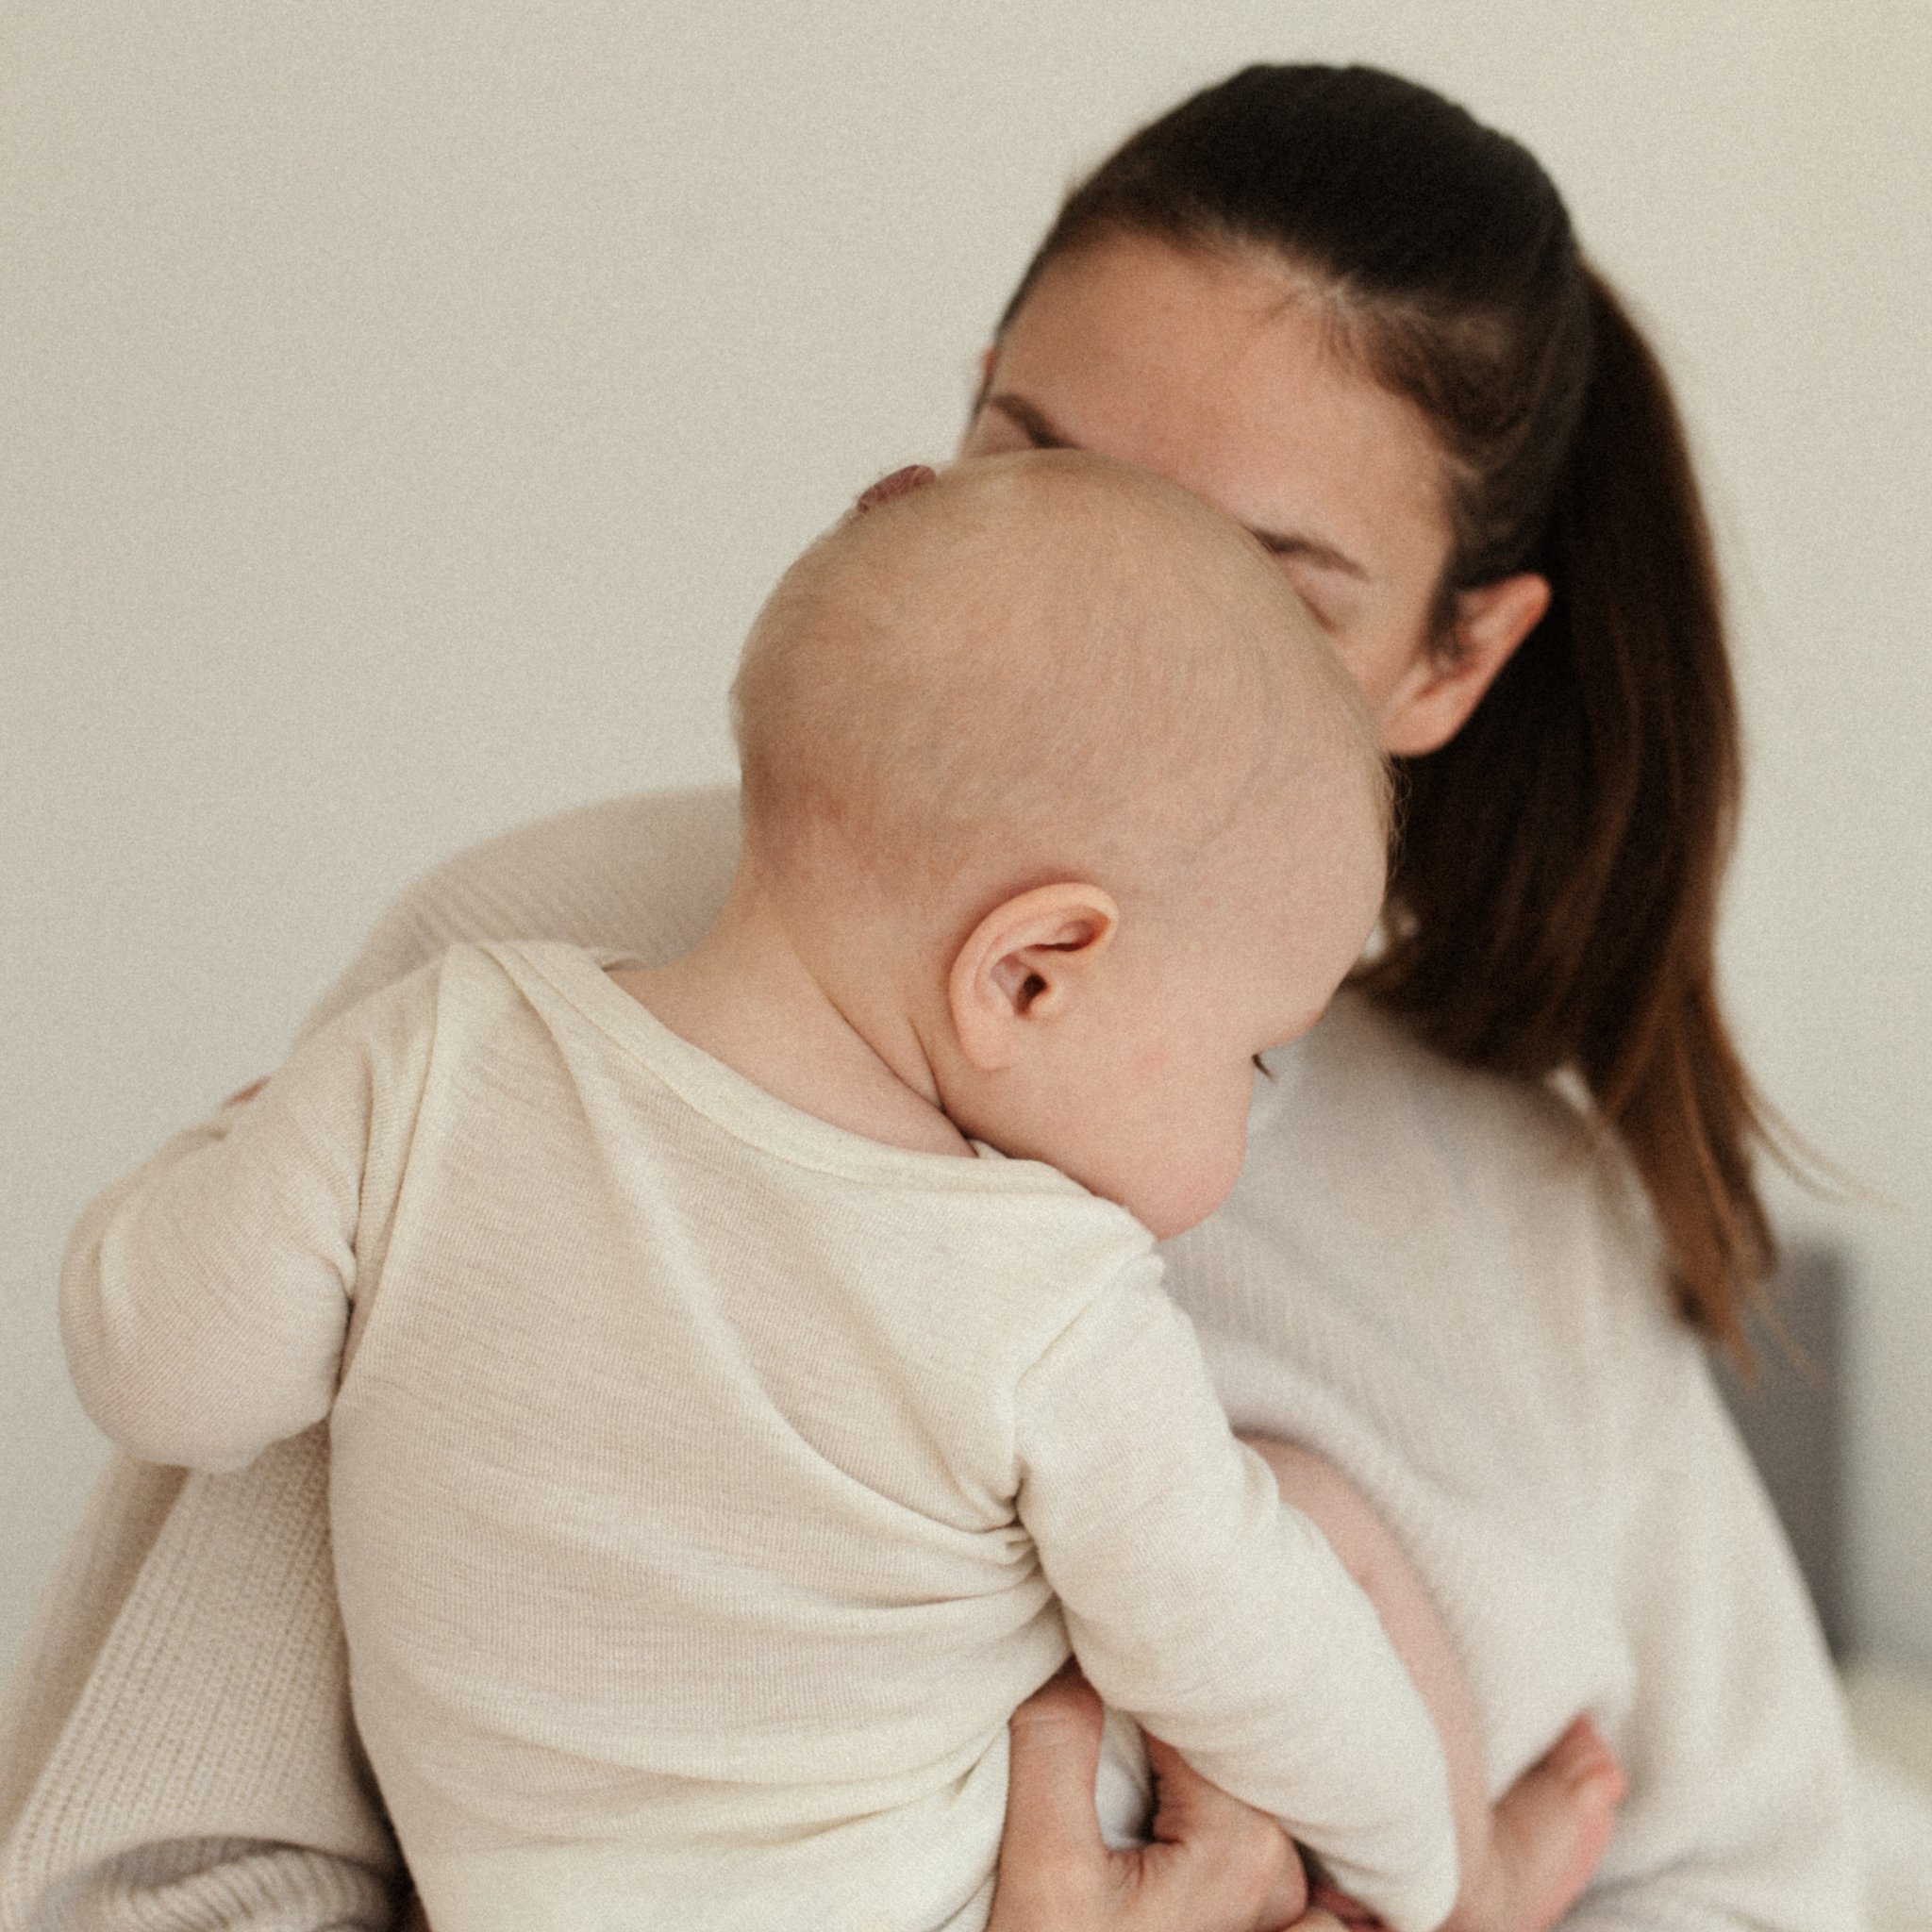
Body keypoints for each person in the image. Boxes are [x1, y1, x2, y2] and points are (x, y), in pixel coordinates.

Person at [0, 60, 1855, 1932]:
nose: (1109, 625)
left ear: (1458, 656)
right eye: (1034, 468)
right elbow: (133, 1885)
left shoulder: (1516, 1202)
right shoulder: (521, 984)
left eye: (1262, 582)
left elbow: (1773, 1878)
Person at [58, 450, 1462, 1932]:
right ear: (1030, 973)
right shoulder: (1039, 1296)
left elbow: (161, 1383)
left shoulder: (435, 1053)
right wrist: (1415, 1874)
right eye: (1250, 1060)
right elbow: (1260, 1657)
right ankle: (1488, 1866)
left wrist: (226, 1153)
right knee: (1308, 1523)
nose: (1250, 1126)